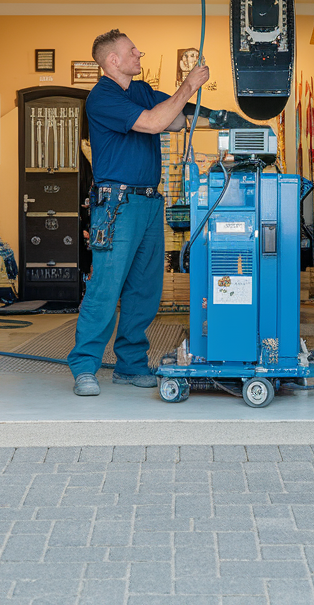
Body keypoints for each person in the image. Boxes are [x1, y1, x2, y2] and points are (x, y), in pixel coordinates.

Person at [67, 29, 209, 396]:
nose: (139, 53)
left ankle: (129, 365)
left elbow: (176, 120)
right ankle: (84, 366)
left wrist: (220, 115)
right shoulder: (102, 97)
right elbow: (153, 123)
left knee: (144, 289)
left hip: (148, 202)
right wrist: (187, 86)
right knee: (105, 287)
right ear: (112, 60)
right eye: (133, 50)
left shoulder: (142, 91)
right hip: (117, 205)